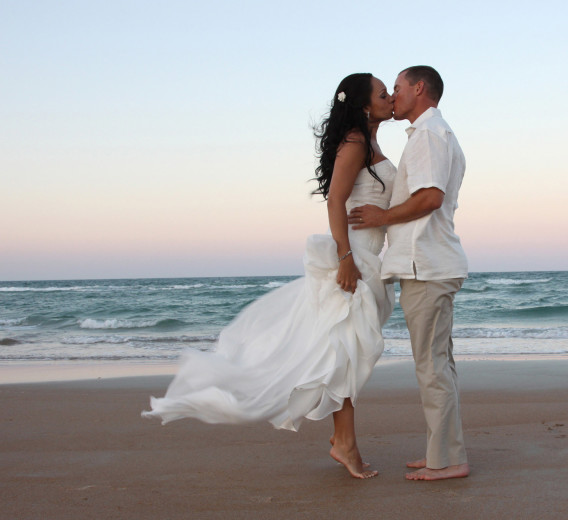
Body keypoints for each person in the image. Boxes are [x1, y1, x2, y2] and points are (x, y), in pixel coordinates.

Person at [142, 73, 396, 480]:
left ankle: (342, 440)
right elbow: (335, 201)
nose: (390, 99)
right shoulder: (356, 142)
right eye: (383, 94)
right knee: (343, 355)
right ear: (365, 105)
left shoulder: (371, 142)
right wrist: (346, 257)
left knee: (341, 355)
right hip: (355, 262)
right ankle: (345, 444)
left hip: (369, 260)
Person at [348, 66, 469, 481]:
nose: (393, 95)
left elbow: (431, 198)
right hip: (430, 264)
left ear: (419, 89)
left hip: (427, 266)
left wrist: (384, 215)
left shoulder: (429, 135)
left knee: (432, 367)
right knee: (439, 365)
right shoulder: (432, 134)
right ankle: (444, 451)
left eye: (397, 88)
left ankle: (448, 462)